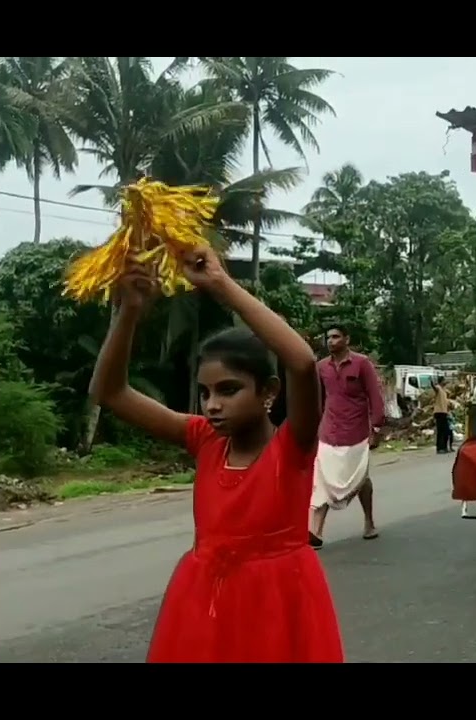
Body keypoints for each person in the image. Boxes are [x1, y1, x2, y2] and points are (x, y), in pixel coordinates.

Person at [89, 249, 343, 663]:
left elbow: (300, 361)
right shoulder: (204, 439)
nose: (211, 405)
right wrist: (130, 312)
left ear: (269, 391)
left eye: (228, 390)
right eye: (205, 393)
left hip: (278, 605)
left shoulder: (292, 446)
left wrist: (220, 283)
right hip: (206, 605)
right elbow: (111, 392)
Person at [310, 324, 385, 549]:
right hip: (329, 432)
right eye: (328, 338)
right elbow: (317, 399)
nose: (331, 341)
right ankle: (315, 532)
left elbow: (375, 396)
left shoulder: (362, 364)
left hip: (357, 432)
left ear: (346, 339)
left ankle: (369, 522)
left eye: (335, 337)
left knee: (361, 479)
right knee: (321, 481)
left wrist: (377, 428)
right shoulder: (321, 367)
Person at [433, 375, 453, 454]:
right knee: (441, 431)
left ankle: (444, 447)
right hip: (439, 412)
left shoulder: (444, 391)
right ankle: (440, 448)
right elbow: (434, 388)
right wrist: (432, 383)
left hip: (444, 412)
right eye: (444, 381)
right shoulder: (438, 388)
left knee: (446, 431)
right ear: (441, 382)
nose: (445, 382)